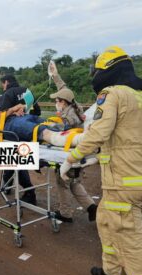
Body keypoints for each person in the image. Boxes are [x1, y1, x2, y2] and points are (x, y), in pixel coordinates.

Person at [60, 46, 142, 275]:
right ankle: (110, 272)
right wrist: (97, 156)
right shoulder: (138, 94)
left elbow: (97, 134)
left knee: (130, 239)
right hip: (131, 178)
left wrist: (71, 159)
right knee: (105, 219)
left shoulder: (113, 94)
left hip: (123, 182)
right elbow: (126, 137)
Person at [48, 61, 97, 223]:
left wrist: (54, 123)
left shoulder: (70, 117)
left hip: (71, 156)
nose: (56, 103)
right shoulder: (74, 106)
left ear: (63, 102)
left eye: (57, 101)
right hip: (80, 155)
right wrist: (55, 75)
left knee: (61, 182)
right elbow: (63, 89)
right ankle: (91, 207)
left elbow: (61, 130)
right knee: (74, 183)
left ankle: (65, 213)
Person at [0, 75, 41, 205]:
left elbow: (1, 115)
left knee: (16, 161)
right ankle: (7, 183)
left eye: (2, 84)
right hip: (29, 129)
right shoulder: (27, 91)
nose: (2, 87)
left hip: (14, 133)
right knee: (12, 161)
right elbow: (37, 111)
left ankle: (29, 192)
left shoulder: (7, 93)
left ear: (6, 82)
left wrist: (15, 112)